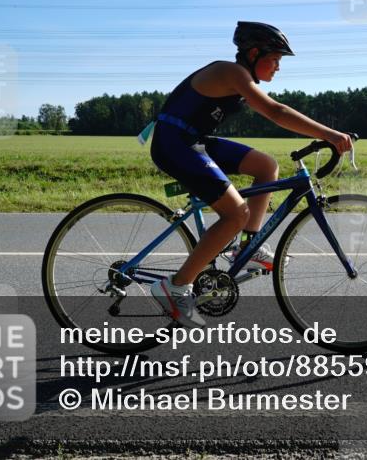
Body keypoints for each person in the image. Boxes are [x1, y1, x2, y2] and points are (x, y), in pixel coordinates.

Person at [149, 21, 353, 328]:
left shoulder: (240, 78)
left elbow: (273, 112)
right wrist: (331, 134)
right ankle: (176, 286)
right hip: (173, 142)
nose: (278, 67)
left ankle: (248, 246)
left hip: (193, 140)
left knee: (266, 166)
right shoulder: (232, 73)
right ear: (254, 53)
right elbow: (276, 112)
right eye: (275, 59)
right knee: (236, 214)